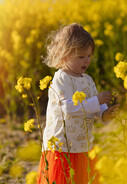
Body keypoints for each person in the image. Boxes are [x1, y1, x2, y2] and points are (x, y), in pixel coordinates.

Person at [36, 23, 119, 184]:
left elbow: (95, 105)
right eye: (81, 57)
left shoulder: (87, 80)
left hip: (82, 144)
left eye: (89, 56)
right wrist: (97, 100)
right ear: (64, 55)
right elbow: (68, 107)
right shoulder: (61, 79)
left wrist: (104, 113)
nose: (86, 60)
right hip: (61, 145)